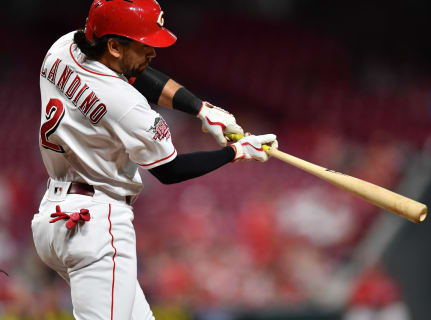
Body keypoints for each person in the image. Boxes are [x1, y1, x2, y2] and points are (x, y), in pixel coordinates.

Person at [31, 0, 278, 319]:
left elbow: (137, 75)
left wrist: (200, 109)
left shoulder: (63, 48)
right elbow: (169, 170)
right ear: (115, 47)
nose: (153, 52)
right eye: (144, 44)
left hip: (55, 215)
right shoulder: (129, 106)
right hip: (98, 223)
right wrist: (237, 151)